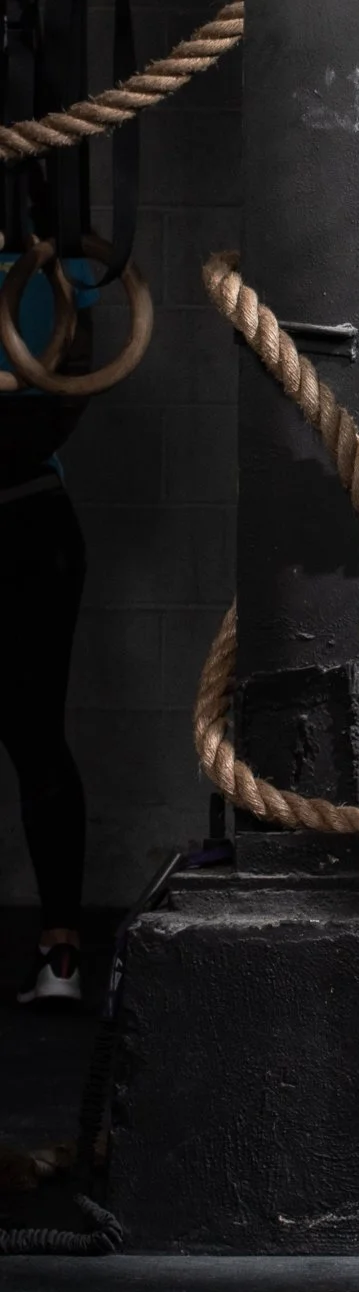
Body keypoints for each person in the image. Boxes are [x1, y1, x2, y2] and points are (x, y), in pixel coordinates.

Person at [0, 252, 91, 1004]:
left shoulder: (53, 277)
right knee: (37, 738)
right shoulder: (57, 279)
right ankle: (60, 957)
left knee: (35, 738)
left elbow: (55, 410)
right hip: (35, 517)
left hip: (27, 522)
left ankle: (62, 953)